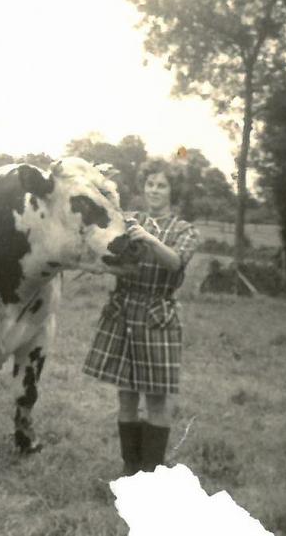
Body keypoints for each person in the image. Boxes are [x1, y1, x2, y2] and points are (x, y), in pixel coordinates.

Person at [83, 158, 200, 475]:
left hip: (157, 316)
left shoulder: (184, 230)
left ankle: (153, 472)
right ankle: (130, 468)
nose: (155, 190)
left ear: (173, 192)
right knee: (127, 397)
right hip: (122, 313)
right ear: (143, 187)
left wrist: (148, 239)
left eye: (162, 185)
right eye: (150, 184)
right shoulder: (127, 220)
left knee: (157, 400)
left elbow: (175, 263)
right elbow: (108, 256)